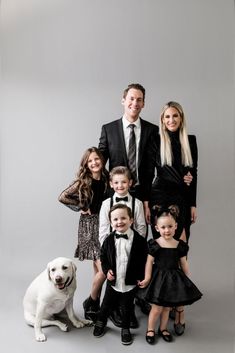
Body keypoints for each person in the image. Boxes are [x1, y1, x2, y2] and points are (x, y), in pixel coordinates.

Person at [98, 83, 158, 319]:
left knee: (141, 244)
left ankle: (138, 296)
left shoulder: (152, 130)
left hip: (143, 198)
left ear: (143, 103)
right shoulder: (109, 129)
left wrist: (145, 199)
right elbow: (99, 164)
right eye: (131, 98)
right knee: (115, 249)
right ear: (123, 100)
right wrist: (89, 193)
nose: (135, 103)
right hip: (117, 195)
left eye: (139, 99)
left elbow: (156, 163)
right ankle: (111, 301)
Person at [137, 205, 202, 345]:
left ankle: (163, 328)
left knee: (167, 307)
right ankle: (150, 329)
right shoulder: (155, 244)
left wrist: (186, 279)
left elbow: (183, 263)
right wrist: (147, 278)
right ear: (157, 228)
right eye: (163, 227)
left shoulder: (179, 245)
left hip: (173, 279)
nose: (167, 230)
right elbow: (149, 262)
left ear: (175, 226)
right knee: (156, 308)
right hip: (158, 279)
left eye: (170, 226)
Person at [58, 147, 109, 321]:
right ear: (86, 164)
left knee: (98, 269)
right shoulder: (83, 181)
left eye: (96, 159)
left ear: (102, 160)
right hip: (89, 225)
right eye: (90, 161)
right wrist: (82, 207)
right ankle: (92, 301)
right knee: (103, 268)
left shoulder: (108, 179)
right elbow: (63, 196)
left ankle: (95, 303)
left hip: (105, 225)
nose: (94, 163)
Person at [93, 204, 147, 345]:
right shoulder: (109, 240)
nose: (119, 221)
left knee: (127, 307)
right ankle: (101, 321)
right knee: (106, 304)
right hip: (114, 282)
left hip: (130, 282)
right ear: (111, 223)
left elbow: (144, 261)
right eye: (115, 219)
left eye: (123, 218)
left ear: (131, 220)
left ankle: (125, 328)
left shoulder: (140, 241)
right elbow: (103, 258)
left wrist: (140, 277)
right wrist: (107, 270)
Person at [149, 101, 198, 243]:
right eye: (167, 117)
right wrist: (146, 204)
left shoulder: (191, 141)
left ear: (181, 117)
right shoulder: (156, 140)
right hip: (159, 197)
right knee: (160, 246)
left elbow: (193, 174)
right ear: (162, 120)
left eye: (175, 116)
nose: (171, 120)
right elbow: (149, 173)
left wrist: (193, 204)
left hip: (182, 198)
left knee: (181, 247)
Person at [99, 166, 147, 246]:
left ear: (130, 183)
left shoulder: (138, 203)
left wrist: (137, 245)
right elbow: (103, 228)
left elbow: (141, 227)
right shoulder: (106, 204)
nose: (120, 185)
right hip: (112, 246)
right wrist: (106, 247)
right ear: (111, 184)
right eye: (116, 182)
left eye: (124, 182)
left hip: (132, 245)